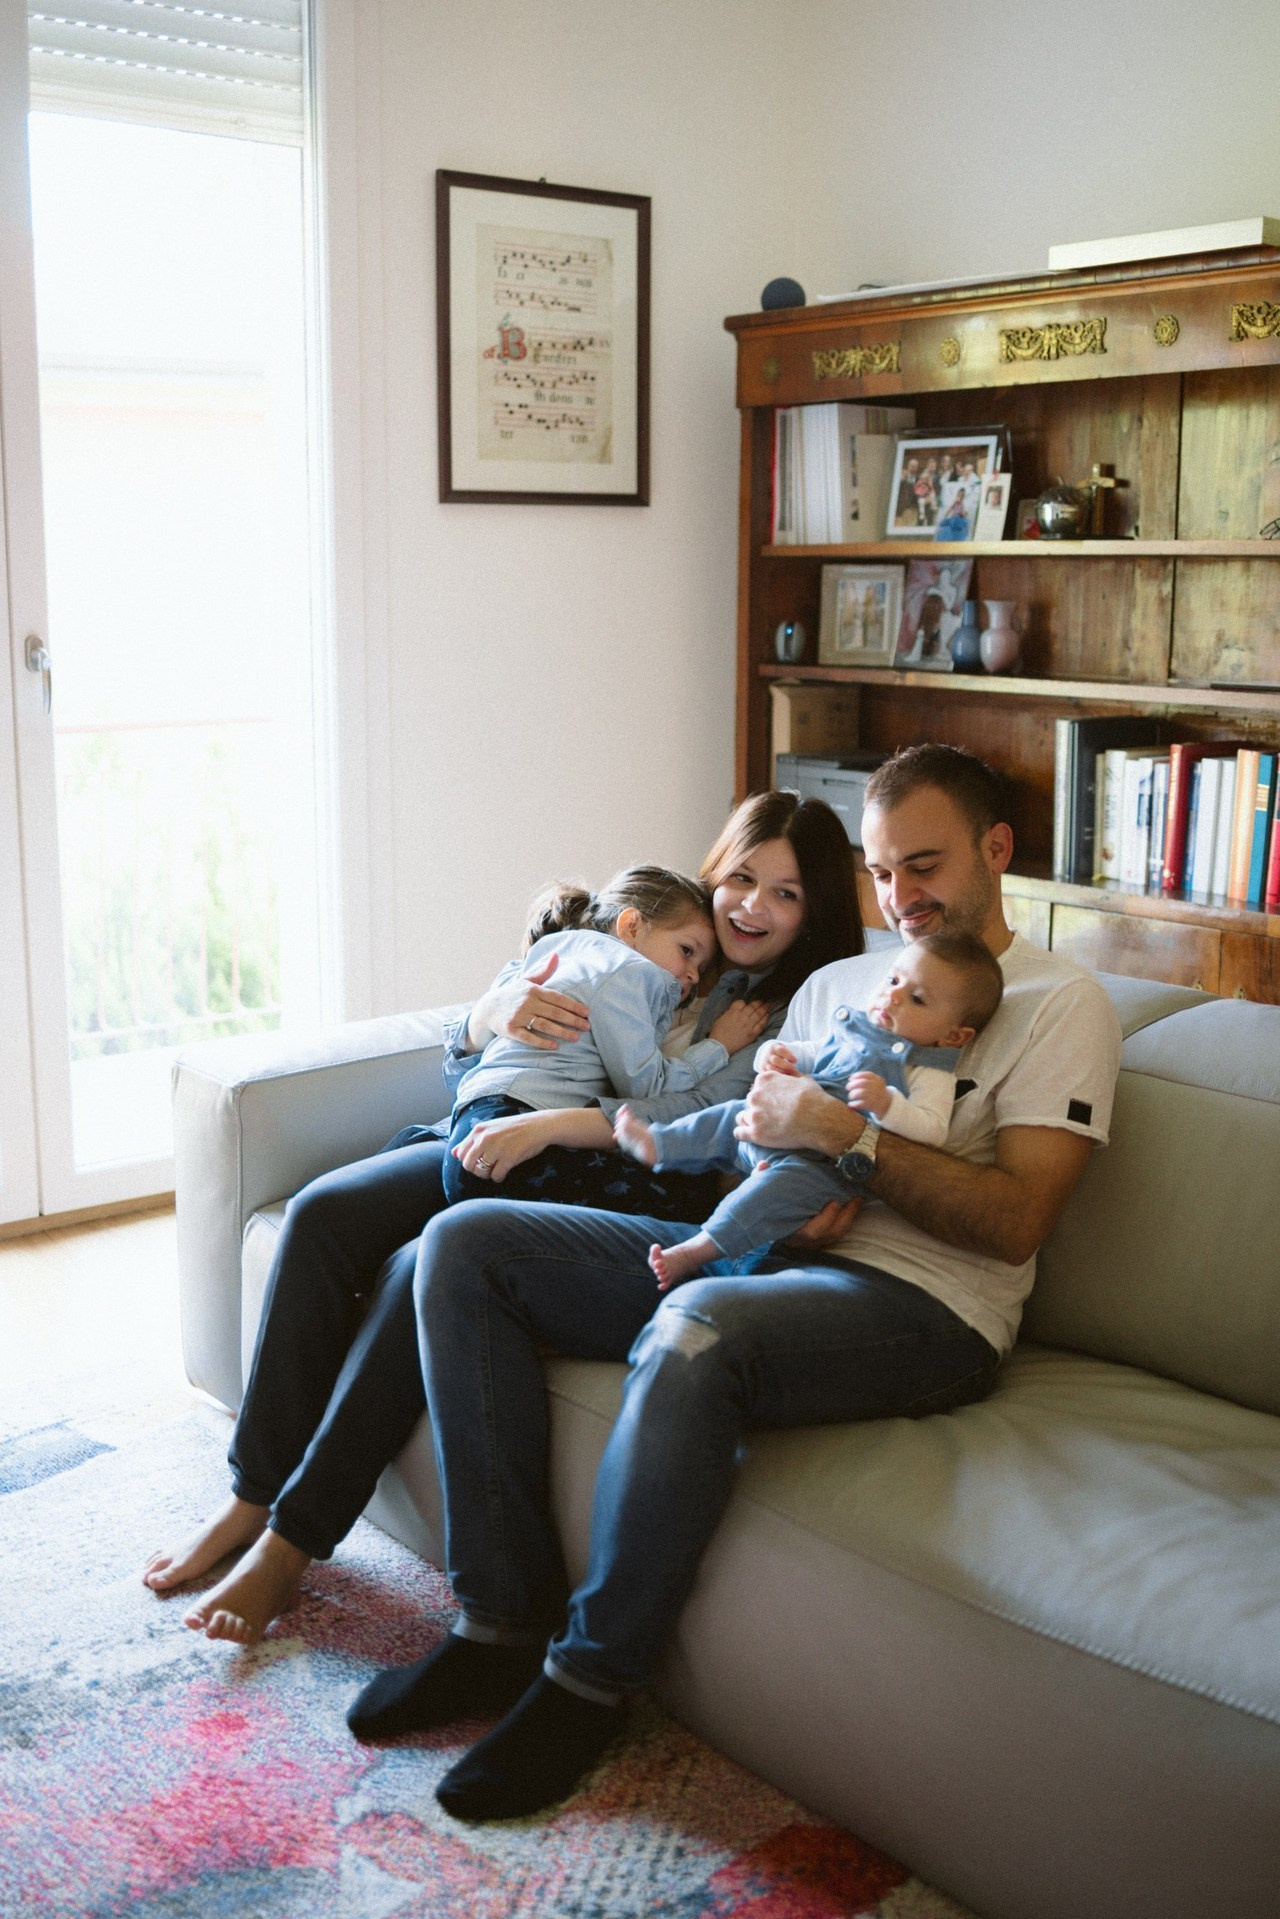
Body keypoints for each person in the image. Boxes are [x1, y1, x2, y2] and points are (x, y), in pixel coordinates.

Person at [348, 743, 1123, 1826]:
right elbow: (744, 1145)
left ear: (997, 850)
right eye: (881, 868)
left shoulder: (1057, 1001)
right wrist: (756, 1158)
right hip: (765, 1246)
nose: (900, 896)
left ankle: (587, 1683)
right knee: (467, 1245)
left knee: (697, 1325)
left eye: (926, 864)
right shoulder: (836, 985)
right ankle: (496, 1621)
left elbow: (1014, 1222)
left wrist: (851, 1142)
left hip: (923, 1306)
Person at [142, 791, 864, 1643]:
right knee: (324, 1212)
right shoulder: (656, 936)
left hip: (612, 1178)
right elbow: (497, 1032)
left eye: (786, 892)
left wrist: (553, 1125)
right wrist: (488, 1018)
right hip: (513, 1129)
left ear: (815, 909)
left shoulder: (797, 1012)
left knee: (425, 1263)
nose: (752, 905)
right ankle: (249, 1493)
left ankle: (289, 1543)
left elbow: (705, 1136)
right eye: (742, 876)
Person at [614, 929, 1003, 1290]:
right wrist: (781, 1054)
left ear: (953, 1035)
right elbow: (817, 1053)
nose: (894, 997)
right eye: (893, 980)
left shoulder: (928, 1068)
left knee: (769, 1196)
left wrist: (888, 1107)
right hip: (771, 1134)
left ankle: (698, 1249)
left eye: (917, 999)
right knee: (729, 1114)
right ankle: (658, 1144)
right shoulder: (859, 1026)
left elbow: (933, 1130)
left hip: (822, 1168)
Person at [440, 865, 765, 1208]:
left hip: (472, 1121)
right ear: (631, 926)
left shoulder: (558, 950)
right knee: (683, 1202)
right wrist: (719, 1045)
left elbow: (458, 1069)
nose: (691, 975)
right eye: (687, 950)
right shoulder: (627, 972)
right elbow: (647, 1087)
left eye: (700, 968)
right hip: (516, 1127)